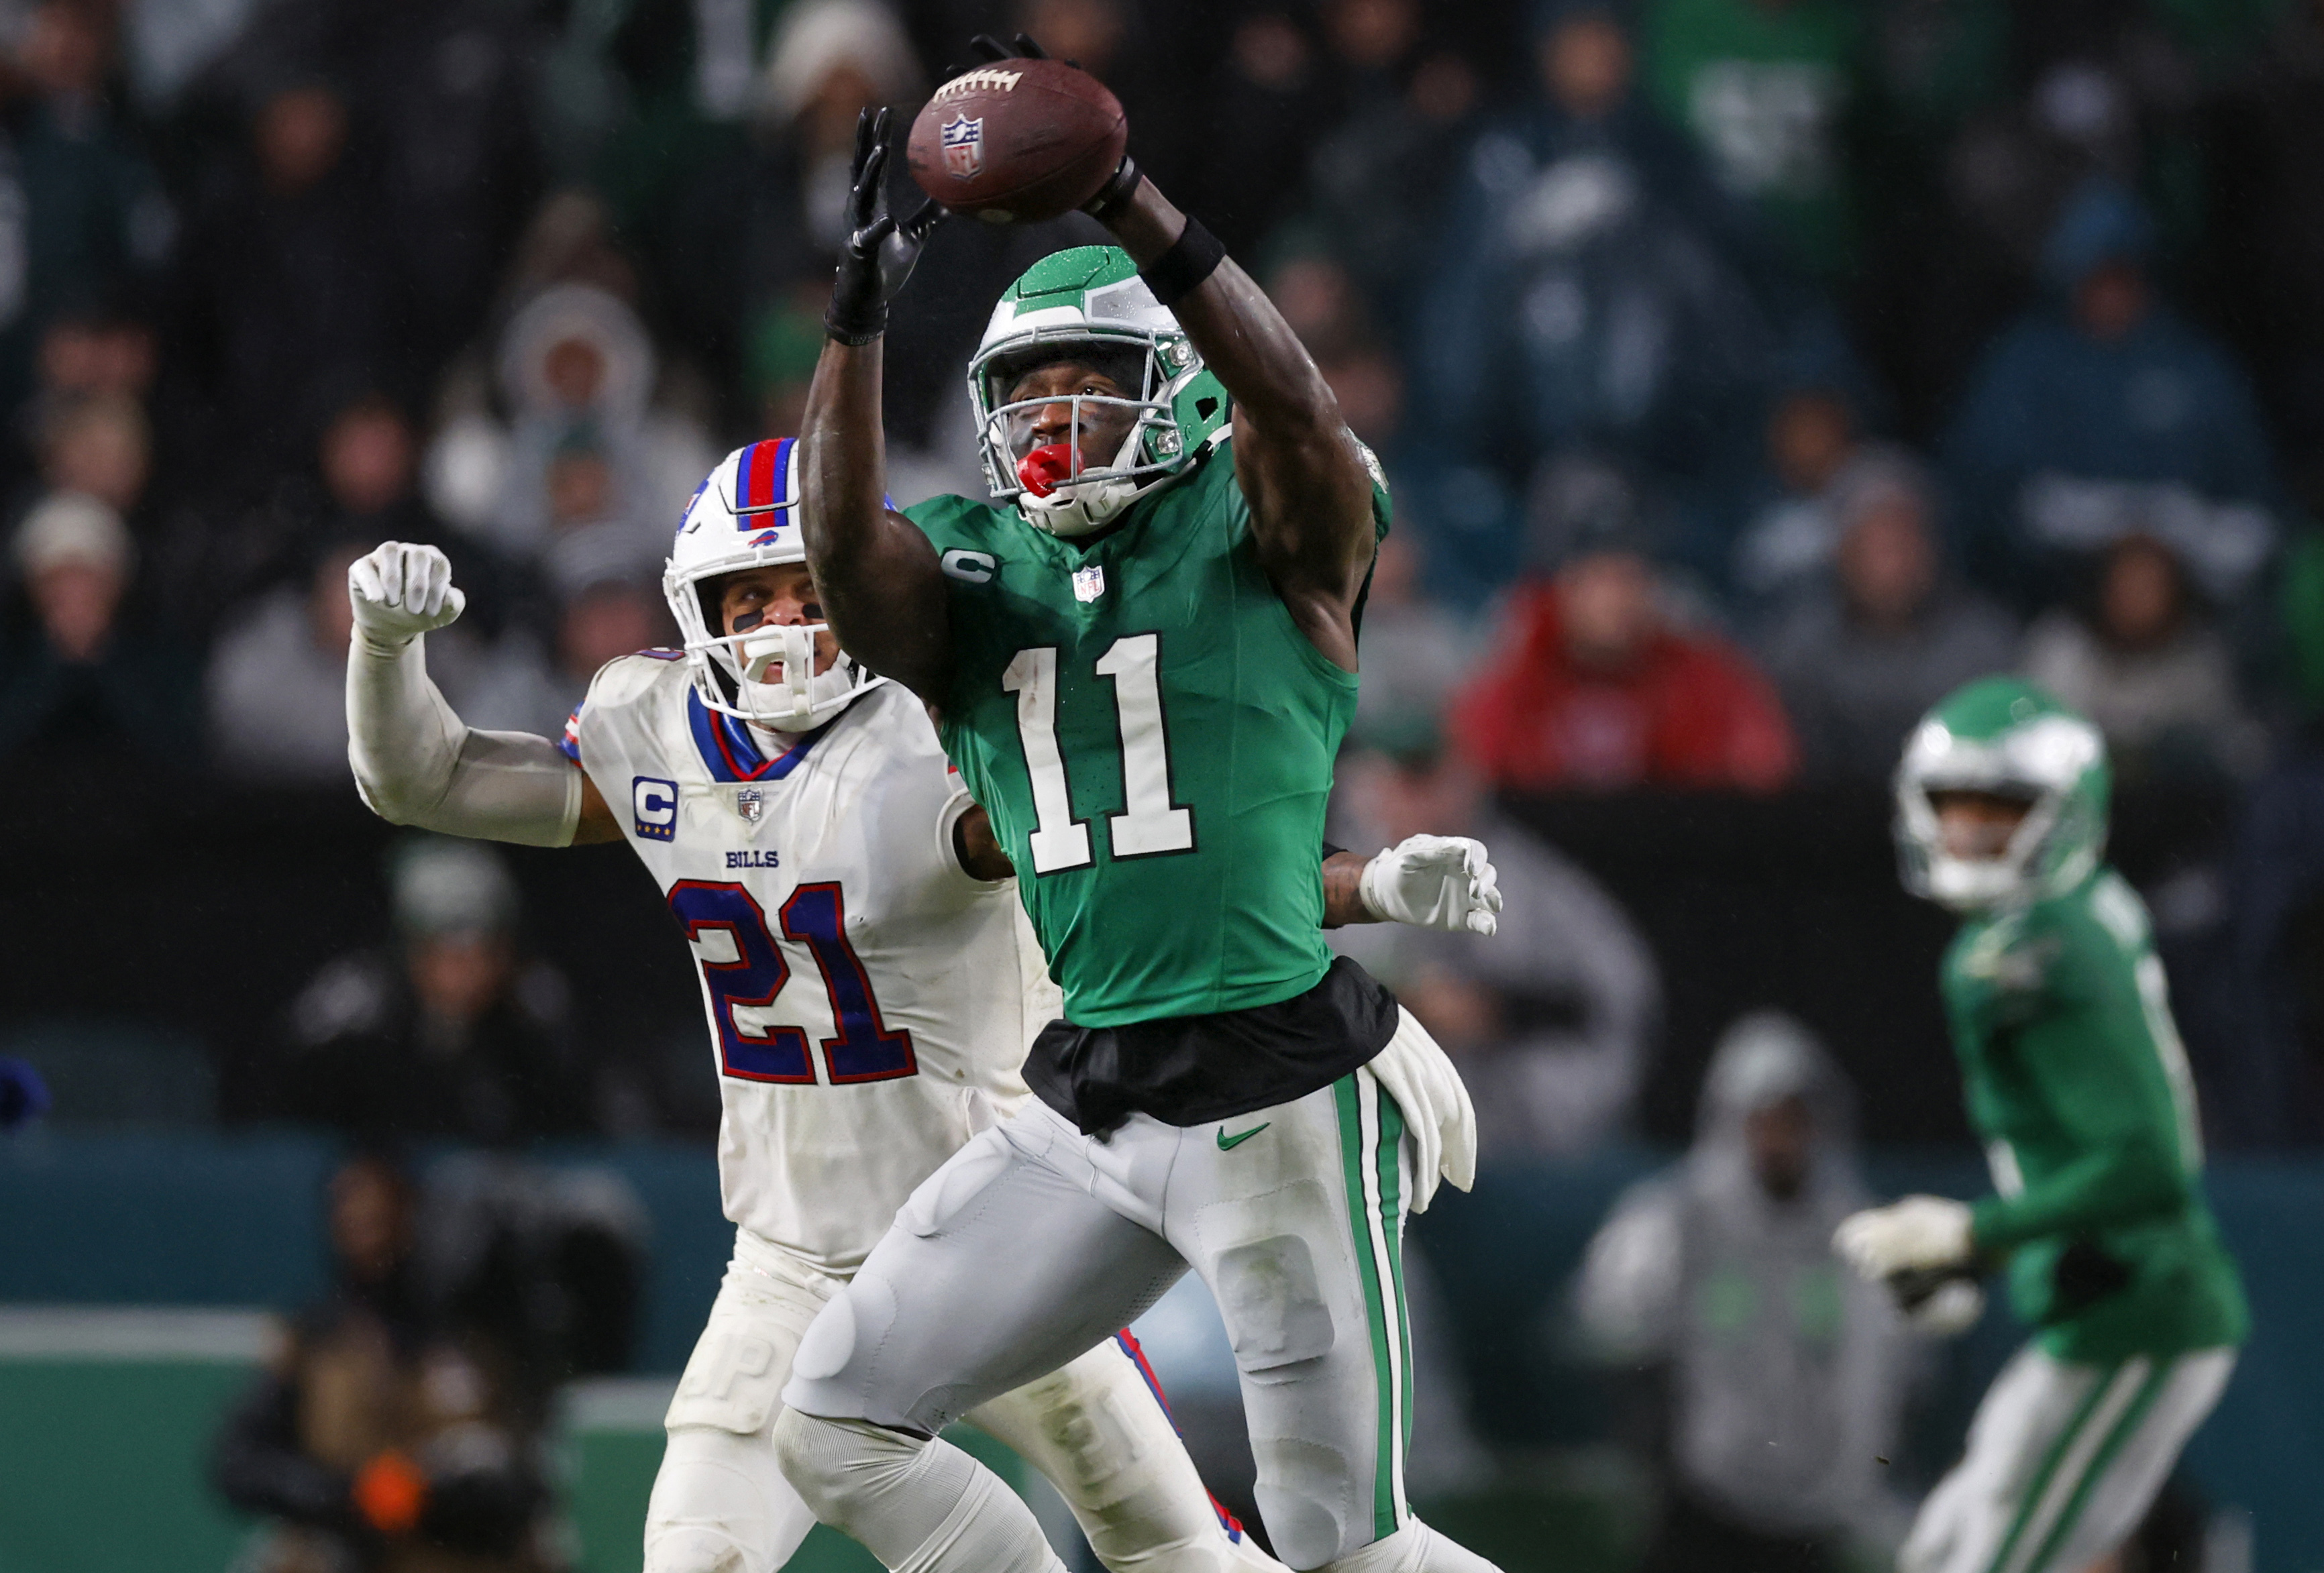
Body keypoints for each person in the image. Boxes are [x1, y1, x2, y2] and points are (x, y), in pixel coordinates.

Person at [340, 438, 1497, 1571]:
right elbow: (426, 778)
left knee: (1173, 1549)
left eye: (812, 594)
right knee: (694, 1555)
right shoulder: (656, 728)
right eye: (752, 601)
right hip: (789, 1255)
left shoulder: (945, 734)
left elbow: (1150, 856)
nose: (785, 627)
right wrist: (386, 647)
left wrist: (1351, 920)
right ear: (700, 611)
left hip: (995, 1232)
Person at [772, 40, 1503, 1571]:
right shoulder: (974, 567)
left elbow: (1296, 413)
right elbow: (840, 557)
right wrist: (854, 326)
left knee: (1344, 1550)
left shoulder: (1261, 528)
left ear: (1175, 390)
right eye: (1024, 390)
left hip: (1275, 1090)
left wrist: (1128, 202)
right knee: (834, 1417)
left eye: (1088, 381)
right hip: (1087, 1095)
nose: (1052, 417)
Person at [1833, 675, 2247, 1573]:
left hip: (2139, 1311)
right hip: (2097, 1305)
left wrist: (1976, 1232)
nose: (1968, 833)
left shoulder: (2035, 948)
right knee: (1939, 1552)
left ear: (2065, 811)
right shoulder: (2060, 916)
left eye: (2000, 810)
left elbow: (2149, 1164)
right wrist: (1980, 1251)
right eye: (1954, 807)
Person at [1575, 1012, 1913, 1573]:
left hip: (1819, 1511)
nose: (1779, 1140)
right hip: (1702, 1502)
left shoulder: (1863, 1239)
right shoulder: (1671, 1222)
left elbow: (1891, 1373)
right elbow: (1613, 1332)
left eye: (1794, 1121)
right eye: (1763, 1121)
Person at [211, 1152, 554, 1573]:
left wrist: (428, 1496)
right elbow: (240, 1464)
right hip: (346, 1547)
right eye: (352, 1214)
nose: (368, 1230)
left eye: (383, 1214)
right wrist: (350, 1496)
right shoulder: (314, 1340)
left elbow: (526, 1483)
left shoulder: (472, 1341)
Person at [1451, 456, 1797, 792]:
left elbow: (1763, 774)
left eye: (1630, 578)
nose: (1616, 599)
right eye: (1597, 578)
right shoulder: (1516, 678)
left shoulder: (1702, 677)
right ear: (1559, 584)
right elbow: (1468, 783)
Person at [279, 837, 599, 1145]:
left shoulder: (536, 1005)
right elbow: (280, 1113)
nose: (473, 970)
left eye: (488, 948)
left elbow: (584, 1122)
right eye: (452, 950)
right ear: (413, 950)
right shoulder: (355, 1009)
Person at [1758, 449, 2017, 782]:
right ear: (1841, 551)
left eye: (1905, 537)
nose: (1894, 560)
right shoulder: (1797, 646)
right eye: (1876, 541)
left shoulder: (1984, 646)